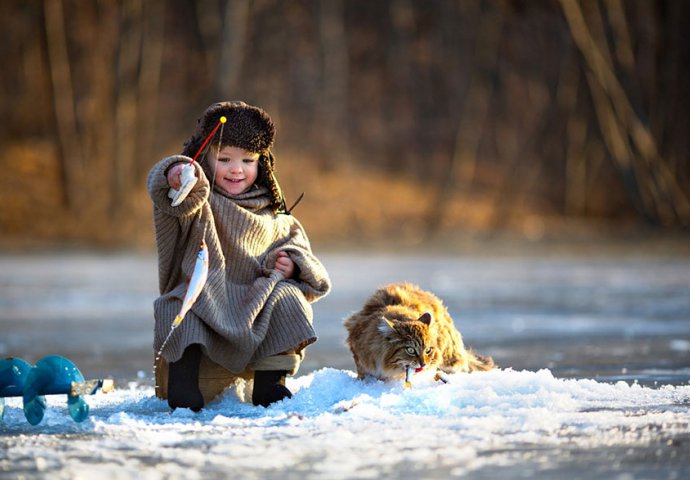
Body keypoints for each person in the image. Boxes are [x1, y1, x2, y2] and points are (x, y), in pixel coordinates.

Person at [147, 101, 331, 411]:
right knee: (179, 309)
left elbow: (306, 258)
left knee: (289, 299)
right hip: (208, 294)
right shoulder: (198, 197)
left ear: (263, 164)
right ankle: (183, 387)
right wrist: (177, 173)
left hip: (257, 300)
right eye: (224, 159)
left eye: (248, 160)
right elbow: (167, 194)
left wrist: (291, 264)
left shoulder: (273, 211)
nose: (237, 169)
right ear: (205, 158)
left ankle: (270, 385)